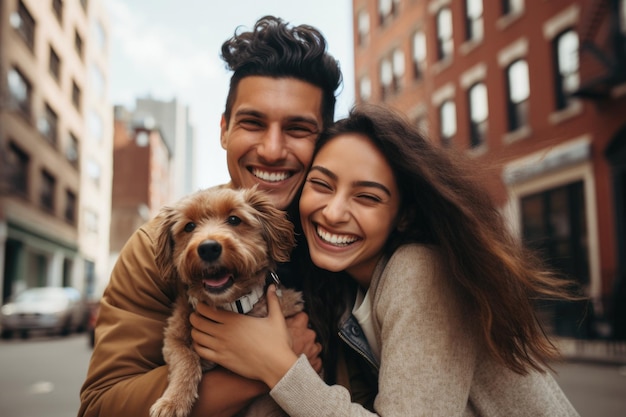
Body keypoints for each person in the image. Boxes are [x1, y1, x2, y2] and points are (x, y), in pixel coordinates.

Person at [190, 103, 581, 416]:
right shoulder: (350, 285)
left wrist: (276, 366)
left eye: (367, 197)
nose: (333, 212)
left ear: (404, 215)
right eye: (322, 185)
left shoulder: (419, 270)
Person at [78, 15, 342, 417]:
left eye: (298, 128)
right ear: (224, 130)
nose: (272, 150)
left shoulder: (350, 242)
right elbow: (100, 407)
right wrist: (267, 367)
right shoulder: (156, 246)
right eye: (252, 122)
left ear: (325, 140)